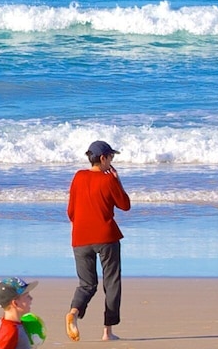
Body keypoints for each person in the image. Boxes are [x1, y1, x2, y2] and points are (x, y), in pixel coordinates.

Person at [65, 140, 131, 341]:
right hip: (105, 237)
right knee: (111, 283)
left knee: (86, 284)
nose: (112, 162)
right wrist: (117, 180)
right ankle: (107, 332)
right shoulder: (108, 179)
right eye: (110, 158)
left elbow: (71, 212)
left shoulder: (78, 176)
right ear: (102, 159)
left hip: (80, 238)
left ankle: (74, 313)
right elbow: (125, 205)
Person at [0, 277, 38, 349]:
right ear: (15, 303)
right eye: (27, 296)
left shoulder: (8, 323)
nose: (31, 298)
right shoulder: (10, 330)